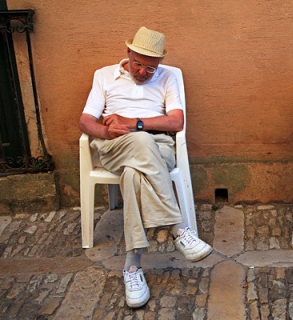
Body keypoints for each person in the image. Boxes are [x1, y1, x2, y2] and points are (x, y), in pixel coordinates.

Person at [79, 26, 212, 308]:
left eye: (151, 68)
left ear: (160, 64)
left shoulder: (168, 78)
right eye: (138, 64)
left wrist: (135, 123)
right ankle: (179, 228)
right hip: (114, 146)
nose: (143, 72)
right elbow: (86, 122)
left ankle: (132, 267)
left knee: (133, 174)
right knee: (137, 146)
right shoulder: (104, 76)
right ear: (128, 53)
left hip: (158, 146)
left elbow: (176, 123)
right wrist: (109, 133)